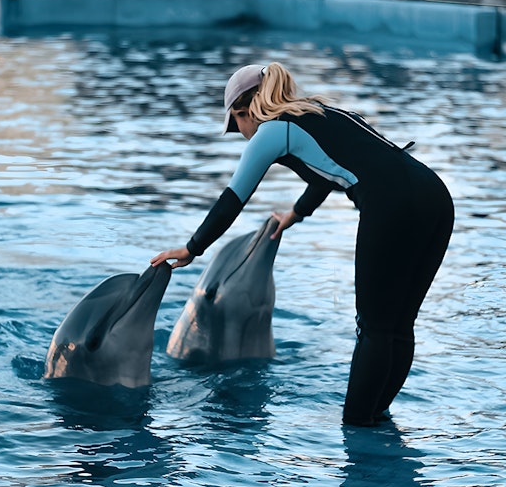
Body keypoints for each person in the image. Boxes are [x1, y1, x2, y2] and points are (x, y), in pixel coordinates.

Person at [151, 62, 454, 426]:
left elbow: (233, 198)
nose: (242, 135)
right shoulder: (319, 111)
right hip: (435, 196)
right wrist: (296, 213)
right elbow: (329, 172)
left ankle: (358, 427)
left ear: (244, 111)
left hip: (391, 208)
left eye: (236, 126)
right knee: (399, 325)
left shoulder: (271, 132)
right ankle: (377, 415)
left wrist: (192, 248)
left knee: (374, 328)